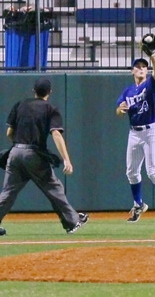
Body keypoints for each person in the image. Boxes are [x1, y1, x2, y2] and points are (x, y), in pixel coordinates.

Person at [0, 78, 89, 236]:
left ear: (34, 91)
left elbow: (9, 133)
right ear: (50, 92)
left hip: (15, 153)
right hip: (34, 154)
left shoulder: (20, 104)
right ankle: (72, 222)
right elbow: (56, 133)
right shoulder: (50, 108)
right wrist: (66, 159)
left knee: (7, 193)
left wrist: (19, 146)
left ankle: (73, 217)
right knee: (54, 188)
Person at [115, 52, 155, 224]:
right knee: (131, 172)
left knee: (152, 171)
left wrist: (154, 57)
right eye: (138, 67)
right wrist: (121, 109)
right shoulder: (128, 91)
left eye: (143, 67)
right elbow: (118, 110)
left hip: (151, 131)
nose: (141, 69)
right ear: (132, 71)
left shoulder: (150, 84)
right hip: (134, 132)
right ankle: (138, 204)